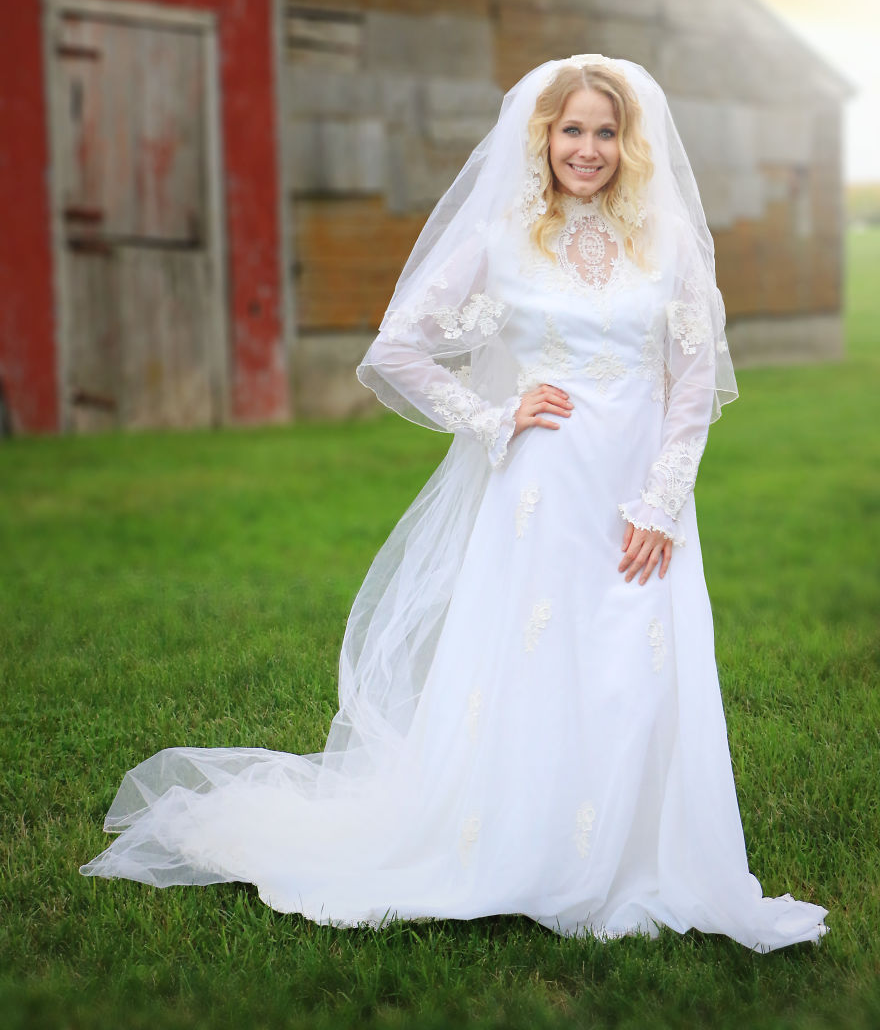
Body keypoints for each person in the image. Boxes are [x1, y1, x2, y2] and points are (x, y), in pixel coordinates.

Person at [80, 55, 828, 951]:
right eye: (571, 129)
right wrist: (491, 414)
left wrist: (663, 500)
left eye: (604, 131)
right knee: (542, 655)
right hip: (543, 487)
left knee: (638, 654)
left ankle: (639, 854)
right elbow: (398, 346)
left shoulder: (663, 240)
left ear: (630, 143)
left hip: (640, 486)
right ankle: (526, 842)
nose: (586, 149)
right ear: (543, 137)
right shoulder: (506, 234)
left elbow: (694, 381)